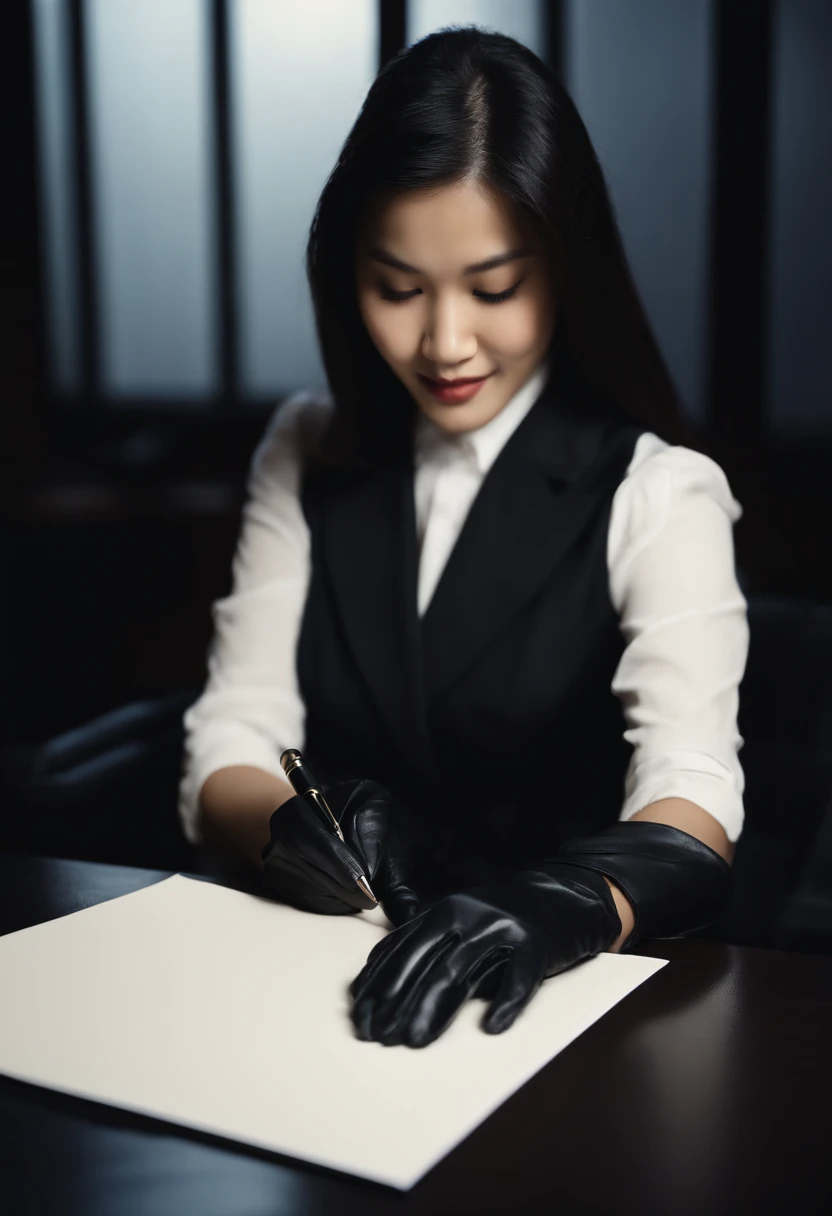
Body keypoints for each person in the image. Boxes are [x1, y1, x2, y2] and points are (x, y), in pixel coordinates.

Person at [178, 27, 748, 1048]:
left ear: (564, 270)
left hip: (552, 1012)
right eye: (396, 288)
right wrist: (286, 823)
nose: (443, 343)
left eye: (493, 289)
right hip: (313, 990)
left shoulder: (660, 490)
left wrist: (567, 902)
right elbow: (231, 730)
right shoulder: (306, 448)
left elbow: (692, 786)